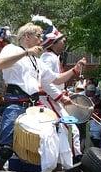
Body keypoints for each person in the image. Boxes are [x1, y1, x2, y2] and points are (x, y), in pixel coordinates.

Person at [0, 22, 86, 172]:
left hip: (34, 109)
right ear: (27, 36)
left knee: (51, 139)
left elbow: (56, 79)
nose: (41, 40)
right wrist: (26, 53)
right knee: (6, 149)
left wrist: (75, 70)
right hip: (15, 105)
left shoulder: (37, 61)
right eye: (38, 36)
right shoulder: (12, 49)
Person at [35, 16, 82, 158]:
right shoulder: (48, 58)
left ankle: (66, 161)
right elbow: (46, 82)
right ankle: (76, 161)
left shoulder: (52, 57)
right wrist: (60, 97)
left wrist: (63, 92)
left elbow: (55, 81)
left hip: (51, 98)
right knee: (70, 128)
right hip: (48, 99)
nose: (64, 41)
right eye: (62, 40)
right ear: (53, 44)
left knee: (63, 132)